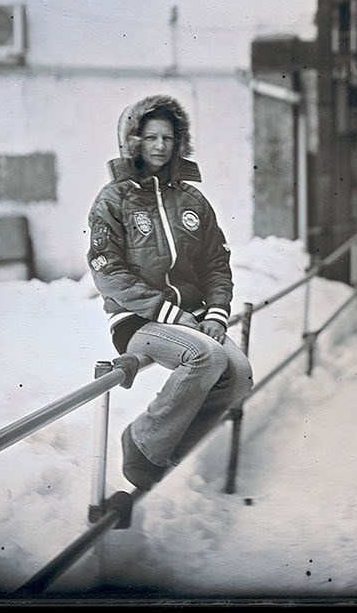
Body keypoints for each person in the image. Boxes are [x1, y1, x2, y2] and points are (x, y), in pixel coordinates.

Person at [86, 94, 254, 491]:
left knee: (240, 376)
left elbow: (216, 262)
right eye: (151, 137)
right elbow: (108, 271)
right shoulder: (113, 200)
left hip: (194, 317)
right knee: (206, 357)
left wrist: (217, 314)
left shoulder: (192, 200)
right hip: (138, 320)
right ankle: (142, 442)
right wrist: (167, 312)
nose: (160, 146)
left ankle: (168, 450)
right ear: (133, 142)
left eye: (168, 137)